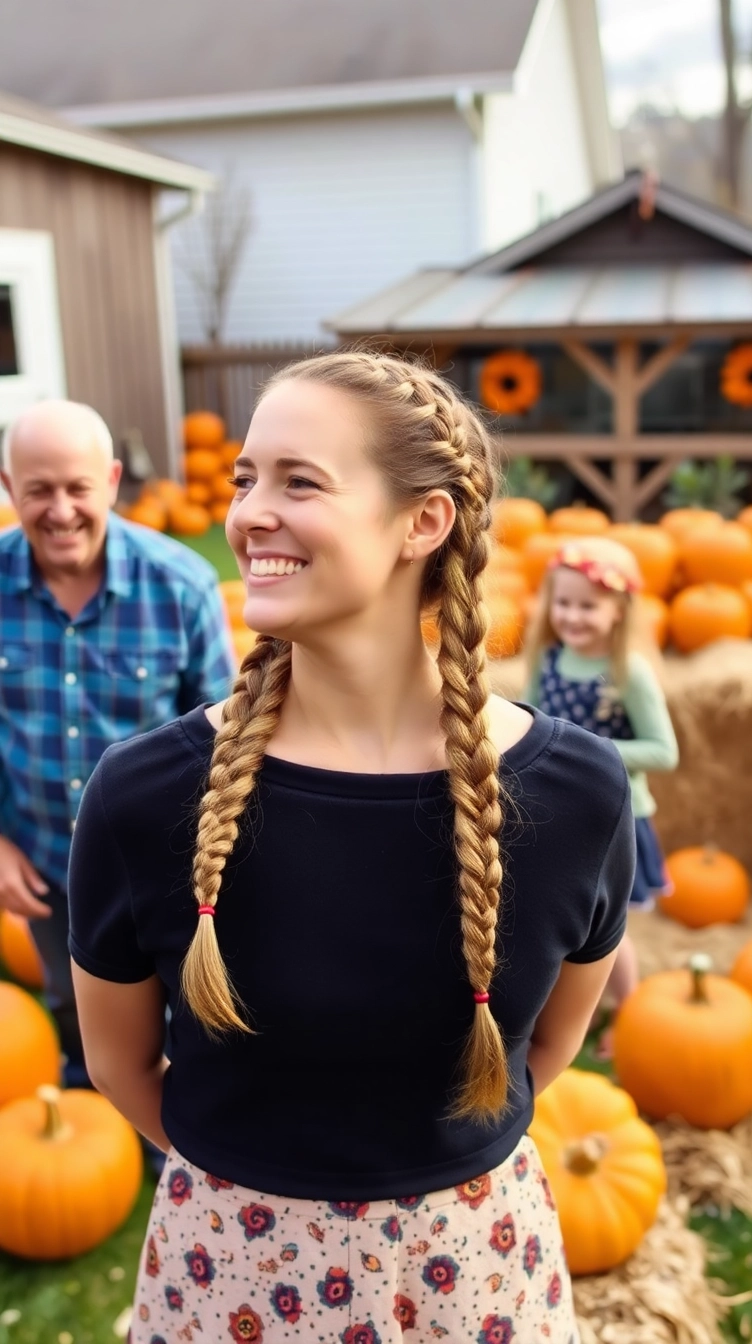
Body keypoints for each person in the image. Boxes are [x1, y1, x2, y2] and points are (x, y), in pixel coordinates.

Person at [68, 352, 635, 1344]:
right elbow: (118, 1067)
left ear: (424, 522)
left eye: (300, 481)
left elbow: (544, 1048)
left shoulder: (578, 796)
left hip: (475, 1277)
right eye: (246, 479)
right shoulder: (145, 794)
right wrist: (262, 1200)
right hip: (228, 1270)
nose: (248, 514)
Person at [0, 399, 235, 1087]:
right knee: (75, 995)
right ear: (10, 488)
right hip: (43, 859)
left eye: (77, 487)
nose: (61, 509)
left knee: (180, 1002)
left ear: (110, 480)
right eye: (39, 490)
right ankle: (90, 1094)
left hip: (163, 858)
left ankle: (176, 1129)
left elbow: (226, 734)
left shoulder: (179, 587)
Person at [523, 535, 679, 1058]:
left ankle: (627, 1011)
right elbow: (534, 721)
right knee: (567, 918)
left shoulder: (627, 673)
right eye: (563, 603)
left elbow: (664, 751)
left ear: (619, 610)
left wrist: (588, 751)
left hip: (615, 816)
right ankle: (563, 1011)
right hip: (561, 810)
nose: (572, 616)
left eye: (588, 605)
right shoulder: (548, 659)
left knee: (608, 929)